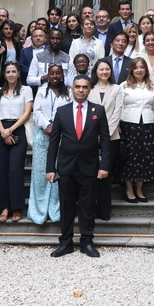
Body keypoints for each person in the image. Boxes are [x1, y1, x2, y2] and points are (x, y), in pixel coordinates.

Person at [46, 75, 110, 258]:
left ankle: (86, 242)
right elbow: (54, 141)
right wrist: (50, 168)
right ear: (72, 89)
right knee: (66, 207)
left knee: (88, 207)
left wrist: (104, 165)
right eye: (77, 87)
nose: (81, 90)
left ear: (90, 89)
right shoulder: (62, 111)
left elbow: (105, 141)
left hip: (90, 167)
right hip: (66, 167)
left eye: (84, 87)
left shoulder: (99, 110)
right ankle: (65, 243)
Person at [0, 62, 33, 223]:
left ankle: (16, 207)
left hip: (17, 128)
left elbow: (27, 113)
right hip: (0, 129)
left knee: (15, 169)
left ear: (19, 73)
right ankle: (4, 207)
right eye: (8, 72)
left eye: (14, 71)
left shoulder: (26, 90)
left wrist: (10, 130)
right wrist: (3, 132)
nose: (11, 74)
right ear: (5, 74)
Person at [118, 57, 154, 202]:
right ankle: (129, 189)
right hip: (129, 124)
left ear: (146, 70)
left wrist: (152, 119)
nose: (139, 70)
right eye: (136, 67)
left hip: (148, 125)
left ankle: (139, 189)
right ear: (131, 69)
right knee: (130, 157)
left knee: (144, 157)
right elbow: (118, 107)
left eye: (142, 67)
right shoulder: (124, 86)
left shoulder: (151, 86)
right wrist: (118, 125)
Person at [29, 65, 68, 224]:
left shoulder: (69, 93)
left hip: (63, 136)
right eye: (52, 73)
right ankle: (39, 212)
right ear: (48, 75)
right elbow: (36, 111)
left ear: (62, 75)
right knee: (40, 173)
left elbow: (69, 113)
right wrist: (47, 125)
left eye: (58, 73)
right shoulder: (41, 91)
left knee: (59, 171)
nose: (55, 76)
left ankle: (56, 210)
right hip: (42, 134)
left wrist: (57, 128)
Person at [89, 59, 122, 221]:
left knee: (105, 174)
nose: (104, 72)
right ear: (96, 71)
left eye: (107, 69)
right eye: (101, 69)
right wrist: (94, 134)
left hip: (111, 137)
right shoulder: (89, 88)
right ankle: (92, 208)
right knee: (92, 174)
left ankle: (104, 210)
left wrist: (105, 134)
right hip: (91, 138)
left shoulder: (117, 89)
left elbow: (117, 112)